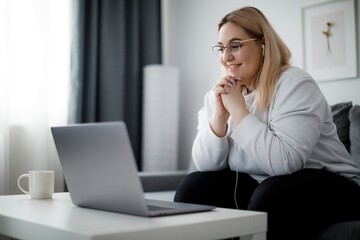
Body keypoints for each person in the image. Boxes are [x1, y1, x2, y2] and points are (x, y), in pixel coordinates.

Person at [174, 6, 360, 240]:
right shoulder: (220, 94)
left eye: (235, 45)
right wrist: (219, 117)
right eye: (221, 48)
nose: (225, 57)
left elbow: (285, 163)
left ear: (262, 44)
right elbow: (204, 164)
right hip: (265, 186)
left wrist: (238, 110)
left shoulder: (294, 84)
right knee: (193, 186)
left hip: (335, 187)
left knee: (271, 195)